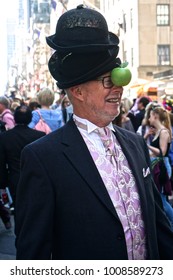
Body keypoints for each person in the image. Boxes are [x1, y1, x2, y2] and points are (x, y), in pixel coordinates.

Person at [15, 5, 173, 260]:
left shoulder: (135, 144)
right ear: (77, 91)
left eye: (118, 80)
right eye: (107, 81)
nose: (118, 89)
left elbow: (158, 225)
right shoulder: (43, 158)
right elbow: (34, 254)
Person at [0, 105, 46, 210]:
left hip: (15, 180)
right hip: (37, 179)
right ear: (30, 118)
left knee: (19, 211)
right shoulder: (40, 136)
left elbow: (1, 163)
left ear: (15, 118)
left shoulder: (5, 137)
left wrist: (2, 183)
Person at [147, 106, 173, 230]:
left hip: (162, 167)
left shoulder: (163, 132)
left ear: (156, 116)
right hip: (158, 166)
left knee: (161, 198)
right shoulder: (159, 131)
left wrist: (147, 145)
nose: (149, 119)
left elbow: (162, 152)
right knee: (160, 197)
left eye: (150, 116)